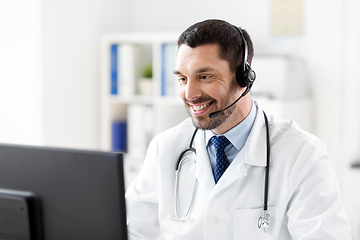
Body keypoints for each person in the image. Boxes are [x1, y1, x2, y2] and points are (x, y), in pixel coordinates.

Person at [125, 19, 352, 239]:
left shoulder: (302, 154)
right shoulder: (165, 149)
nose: (190, 93)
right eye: (183, 79)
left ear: (245, 77)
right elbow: (131, 230)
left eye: (204, 76)